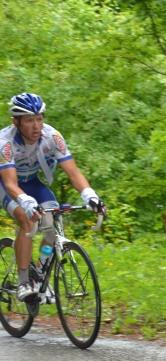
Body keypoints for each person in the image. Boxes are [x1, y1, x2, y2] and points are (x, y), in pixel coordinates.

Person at [0, 92, 105, 301]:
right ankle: (23, 282)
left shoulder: (52, 137)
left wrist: (89, 195)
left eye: (39, 119)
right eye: (29, 120)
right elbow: (11, 184)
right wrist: (26, 201)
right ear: (16, 122)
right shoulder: (5, 143)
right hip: (6, 184)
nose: (36, 126)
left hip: (31, 181)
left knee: (51, 219)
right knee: (27, 219)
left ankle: (40, 272)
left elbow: (73, 173)